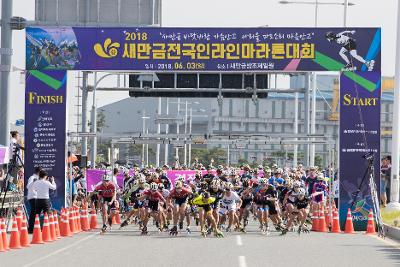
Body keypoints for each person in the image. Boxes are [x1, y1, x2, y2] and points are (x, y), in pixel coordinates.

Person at [26, 167, 41, 233]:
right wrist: (33, 182)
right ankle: (31, 229)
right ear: (38, 172)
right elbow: (28, 186)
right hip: (33, 197)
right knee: (33, 213)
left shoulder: (38, 178)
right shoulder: (32, 177)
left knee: (36, 213)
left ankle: (34, 228)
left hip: (37, 197)